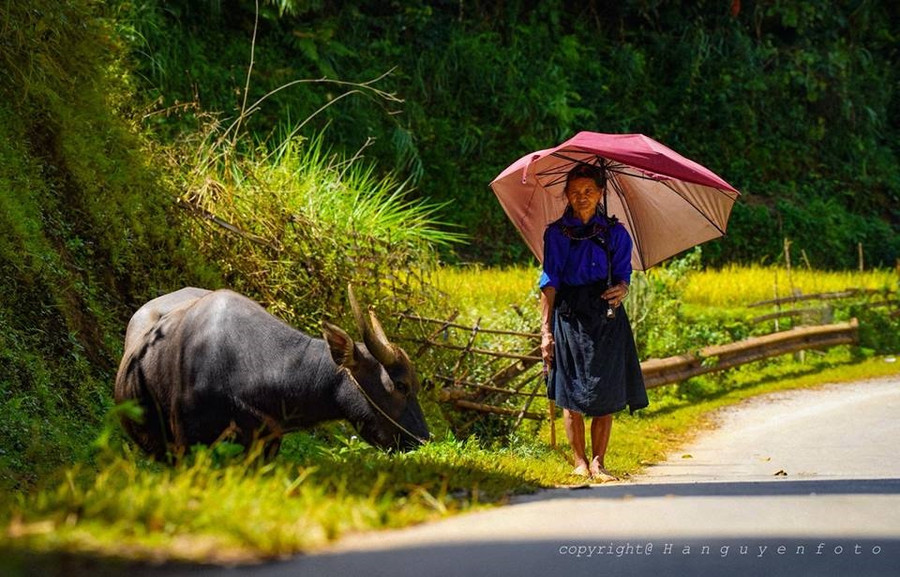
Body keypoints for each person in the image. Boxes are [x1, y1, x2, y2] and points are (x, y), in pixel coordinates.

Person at [539, 163, 649, 481]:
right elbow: (549, 283)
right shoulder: (556, 234)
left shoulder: (616, 233)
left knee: (606, 389)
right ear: (567, 195)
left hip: (606, 314)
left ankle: (599, 462)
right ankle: (579, 461)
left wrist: (622, 288)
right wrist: (546, 331)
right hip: (569, 314)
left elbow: (624, 275)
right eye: (575, 191)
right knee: (569, 388)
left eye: (588, 190)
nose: (582, 196)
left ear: (601, 193)